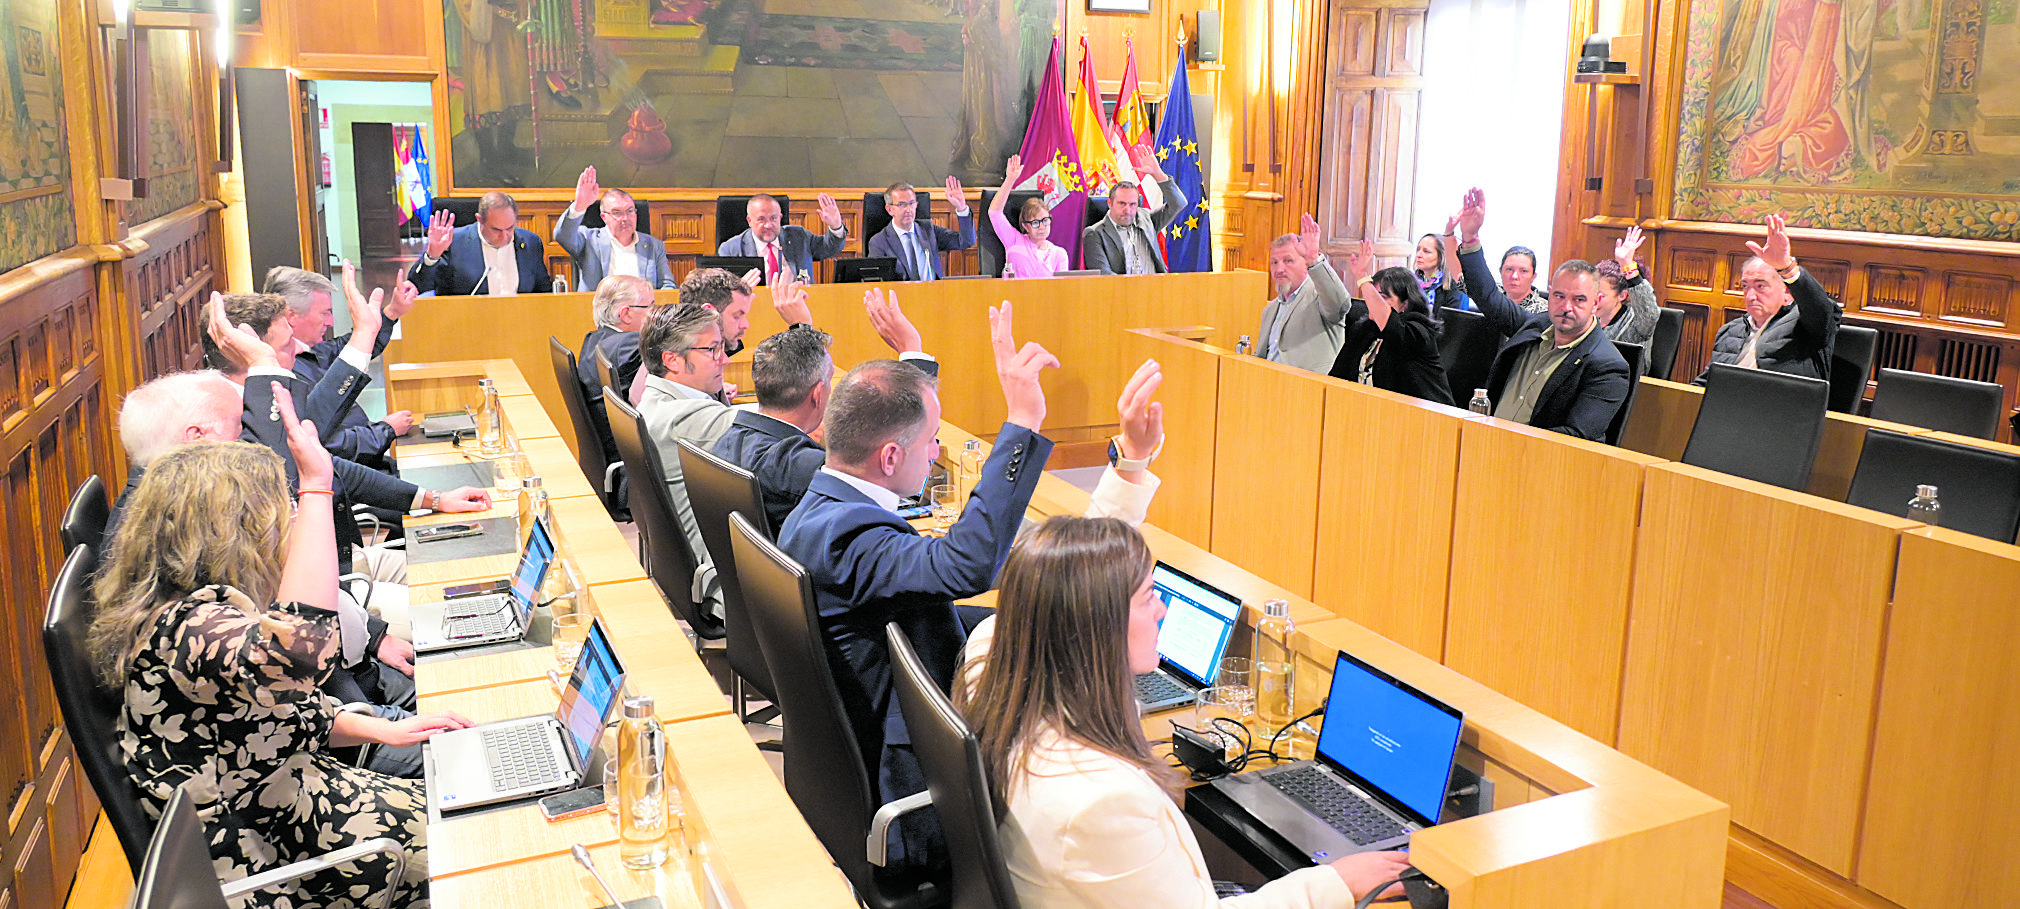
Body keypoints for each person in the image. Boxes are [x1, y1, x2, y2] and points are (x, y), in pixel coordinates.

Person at [90, 393, 470, 905]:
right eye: (282, 509)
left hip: (302, 798)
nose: (293, 517)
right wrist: (314, 488)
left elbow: (275, 715)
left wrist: (383, 728)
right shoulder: (190, 629)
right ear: (233, 534)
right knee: (484, 841)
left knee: (473, 795)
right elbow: (303, 654)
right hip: (278, 857)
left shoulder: (202, 605)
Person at [957, 518, 1411, 909]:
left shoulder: (999, 674)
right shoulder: (1101, 801)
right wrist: (1337, 883)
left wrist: (1131, 468)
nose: (1162, 610)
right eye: (1148, 595)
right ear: (1097, 623)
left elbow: (1051, 583)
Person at [778, 301, 1057, 873]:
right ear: (889, 456)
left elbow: (942, 593)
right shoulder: (848, 538)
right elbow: (966, 567)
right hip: (914, 791)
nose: (935, 454)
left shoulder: (821, 505)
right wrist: (1022, 422)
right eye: (932, 441)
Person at [711, 288, 939, 531]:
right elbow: (892, 468)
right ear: (818, 394)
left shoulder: (731, 439)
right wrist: (911, 347)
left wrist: (802, 327)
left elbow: (794, 358)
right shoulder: (798, 465)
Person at [1452, 188, 1629, 440]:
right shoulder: (1534, 326)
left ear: (1596, 302)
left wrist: (1510, 442)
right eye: (1559, 296)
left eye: (1579, 299)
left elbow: (1575, 436)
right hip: (1486, 444)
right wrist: (1470, 238)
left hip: (1540, 465)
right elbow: (1489, 298)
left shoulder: (1608, 366)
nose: (1566, 307)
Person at [637, 303, 738, 620]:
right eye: (712, 349)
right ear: (672, 360)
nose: (724, 359)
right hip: (722, 584)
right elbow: (777, 428)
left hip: (694, 570)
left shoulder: (655, 401)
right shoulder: (684, 418)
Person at [266, 263, 417, 469]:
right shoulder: (283, 370)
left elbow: (353, 348)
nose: (331, 321)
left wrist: (391, 313)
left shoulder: (308, 350)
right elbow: (329, 443)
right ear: (291, 316)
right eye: (324, 313)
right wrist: (386, 429)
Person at [1693, 213, 1841, 384]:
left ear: (1787, 292)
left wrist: (1786, 267)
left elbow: (1819, 308)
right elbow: (1707, 383)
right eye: (1745, 286)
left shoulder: (1805, 326)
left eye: (1760, 286)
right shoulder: (1730, 331)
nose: (1750, 296)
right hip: (1727, 405)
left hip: (1778, 407)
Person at [1327, 240, 1456, 406]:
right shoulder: (1364, 329)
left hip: (1426, 420)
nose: (1374, 302)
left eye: (1384, 297)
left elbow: (1393, 330)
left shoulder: (1418, 331)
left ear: (1405, 303)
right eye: (1374, 295)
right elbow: (1338, 376)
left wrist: (1362, 277)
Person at [408, 192, 553, 296]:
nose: (504, 236)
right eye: (496, 229)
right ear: (479, 219)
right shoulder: (455, 242)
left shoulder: (530, 242)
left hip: (520, 325)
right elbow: (418, 286)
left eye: (509, 228)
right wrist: (432, 255)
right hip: (467, 327)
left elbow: (544, 293)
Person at [1255, 213, 1349, 373]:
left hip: (1308, 390)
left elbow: (1340, 304)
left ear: (1305, 263)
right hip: (1269, 386)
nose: (1279, 269)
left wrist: (1314, 259)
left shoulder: (1319, 297)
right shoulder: (1270, 310)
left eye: (1288, 261)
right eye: (1274, 262)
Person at [558, 166, 678, 291]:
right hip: (599, 309)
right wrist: (579, 206)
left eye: (630, 211)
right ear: (604, 217)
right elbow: (562, 235)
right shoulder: (589, 240)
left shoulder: (654, 246)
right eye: (617, 213)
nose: (625, 218)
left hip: (642, 308)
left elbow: (668, 285)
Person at [578, 274, 656, 461]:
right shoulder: (630, 344)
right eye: (650, 307)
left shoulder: (593, 339)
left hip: (607, 454)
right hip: (631, 459)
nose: (655, 314)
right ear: (626, 314)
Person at [1081, 149, 1186, 275]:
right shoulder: (1094, 234)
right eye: (1122, 204)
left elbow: (1179, 204)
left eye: (1133, 204)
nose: (1128, 210)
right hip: (1123, 293)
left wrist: (1158, 174)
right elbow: (1105, 277)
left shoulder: (1146, 219)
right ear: (1110, 203)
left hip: (1157, 288)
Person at [716, 193, 848, 286]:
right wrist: (740, 288)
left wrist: (836, 226)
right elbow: (723, 293)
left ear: (780, 217)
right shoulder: (731, 249)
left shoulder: (799, 236)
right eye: (761, 219)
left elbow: (829, 248)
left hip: (798, 307)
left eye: (773, 218)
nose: (768, 225)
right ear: (749, 221)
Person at [867, 178, 978, 282]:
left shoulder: (928, 230)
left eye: (911, 203)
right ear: (890, 209)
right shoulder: (879, 242)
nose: (908, 209)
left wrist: (961, 208)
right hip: (901, 298)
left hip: (933, 295)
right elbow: (877, 282)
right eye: (902, 204)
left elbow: (966, 241)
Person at [987, 155, 1068, 279]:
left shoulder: (1059, 254)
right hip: (1016, 297)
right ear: (1025, 225)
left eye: (1045, 221)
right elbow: (994, 213)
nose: (1042, 227)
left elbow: (1062, 289)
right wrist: (1010, 179)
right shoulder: (1013, 241)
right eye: (1035, 223)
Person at [1595, 226, 1659, 350]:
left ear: (1622, 295)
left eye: (1601, 295)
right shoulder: (1586, 318)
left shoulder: (1635, 323)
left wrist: (1627, 265)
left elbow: (1650, 314)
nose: (1593, 300)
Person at [1412, 231, 1470, 314]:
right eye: (1418, 249)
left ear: (1441, 257)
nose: (1419, 254)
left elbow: (1454, 323)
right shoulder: (1413, 282)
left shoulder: (1456, 286)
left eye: (1426, 251)